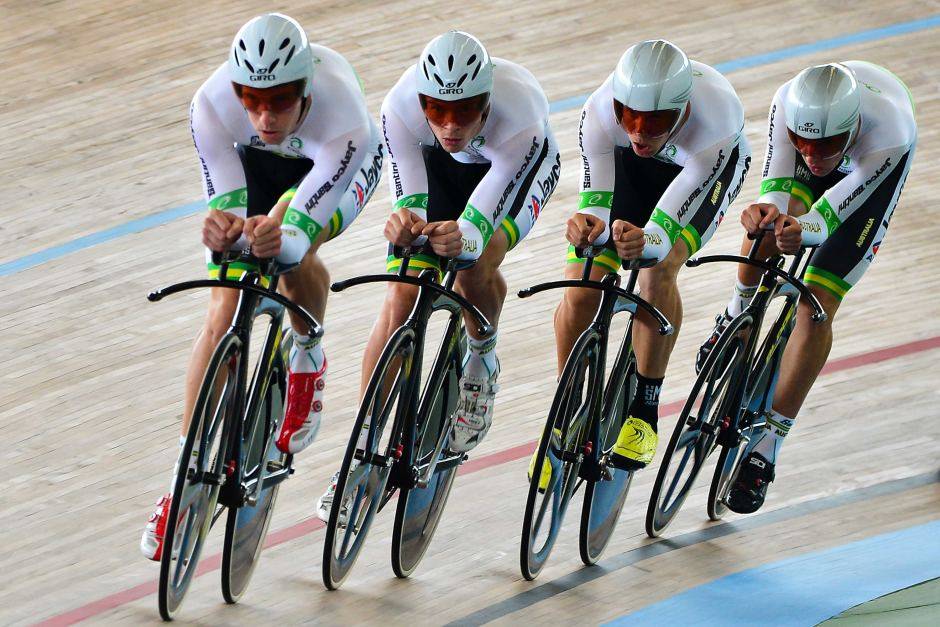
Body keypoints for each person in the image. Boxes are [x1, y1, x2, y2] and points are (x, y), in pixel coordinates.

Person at [140, 13, 384, 560]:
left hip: (331, 170)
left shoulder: (343, 115)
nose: (265, 114)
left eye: (279, 101)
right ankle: (185, 474)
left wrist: (281, 231)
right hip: (254, 168)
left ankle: (307, 352)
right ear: (236, 91)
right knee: (223, 305)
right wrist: (223, 230)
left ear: (305, 90)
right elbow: (225, 202)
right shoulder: (211, 105)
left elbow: (296, 228)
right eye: (252, 100)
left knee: (294, 252)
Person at [316, 30, 560, 521]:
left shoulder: (522, 121)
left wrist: (465, 237)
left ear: (486, 104)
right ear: (422, 100)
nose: (450, 124)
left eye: (465, 111)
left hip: (508, 172)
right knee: (402, 293)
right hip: (436, 171)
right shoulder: (401, 109)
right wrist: (405, 222)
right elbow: (409, 194)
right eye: (438, 110)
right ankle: (359, 453)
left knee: (477, 260)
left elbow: (481, 217)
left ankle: (481, 359)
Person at [697, 62, 916, 513]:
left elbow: (829, 215)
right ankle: (734, 316)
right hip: (832, 156)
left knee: (817, 301)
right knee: (764, 230)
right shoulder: (787, 103)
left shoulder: (889, 132)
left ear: (852, 127)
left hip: (867, 182)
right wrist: (764, 212)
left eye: (827, 144)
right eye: (804, 143)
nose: (814, 155)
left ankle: (768, 445)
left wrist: (804, 228)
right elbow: (776, 187)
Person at [531, 39, 751, 489]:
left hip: (697, 176)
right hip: (629, 174)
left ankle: (645, 408)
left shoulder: (717, 121)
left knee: (658, 266)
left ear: (682, 109)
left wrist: (647, 240)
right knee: (583, 281)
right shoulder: (598, 112)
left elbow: (664, 229)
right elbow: (595, 202)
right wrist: (586, 229)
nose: (639, 132)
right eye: (628, 118)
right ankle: (563, 404)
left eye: (654, 123)